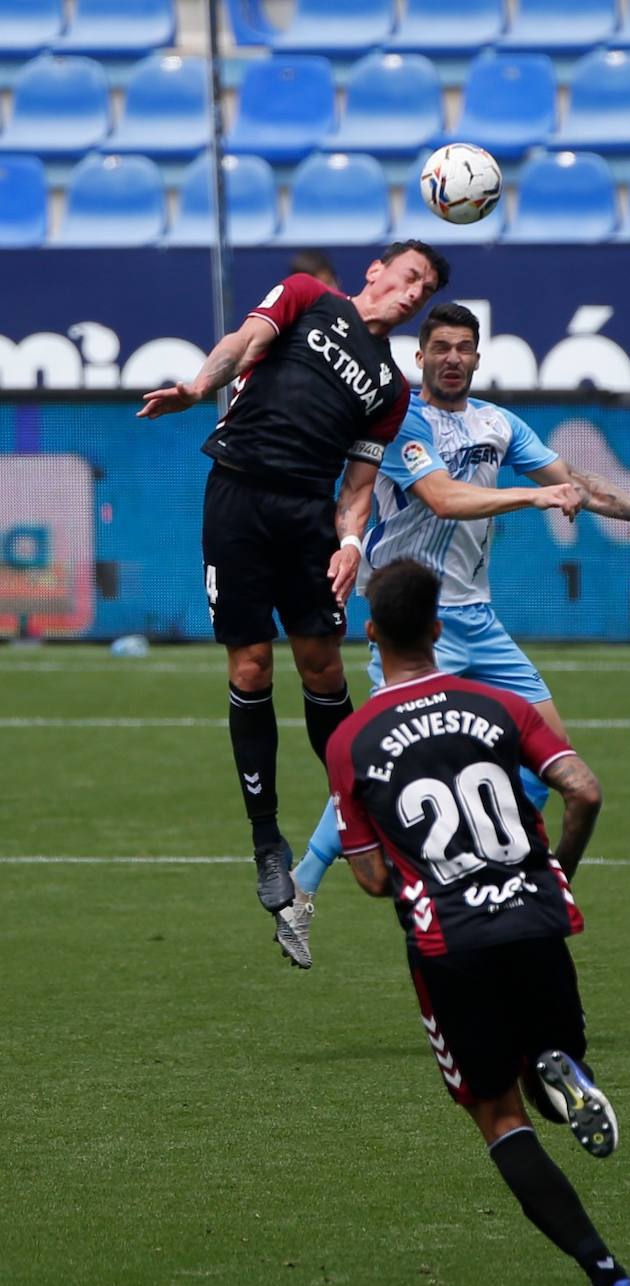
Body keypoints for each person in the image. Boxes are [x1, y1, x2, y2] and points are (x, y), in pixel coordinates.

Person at [285, 302, 630, 965]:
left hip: (477, 622)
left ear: (478, 357)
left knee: (552, 758)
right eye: (441, 347)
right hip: (412, 626)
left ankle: (521, 883)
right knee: (379, 760)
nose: (452, 357)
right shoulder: (403, 419)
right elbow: (442, 497)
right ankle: (300, 891)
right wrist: (532, 497)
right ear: (421, 357)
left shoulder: (498, 423)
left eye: (463, 347)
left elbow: (571, 481)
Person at [325, 558, 630, 1286]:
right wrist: (556, 868)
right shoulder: (498, 704)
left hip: (451, 944)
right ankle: (557, 1067)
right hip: (537, 918)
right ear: (439, 630)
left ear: (371, 632)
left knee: (498, 1115)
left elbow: (371, 880)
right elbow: (585, 789)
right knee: (543, 1066)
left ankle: (607, 1277)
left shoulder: (351, 740)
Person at [136, 241, 453, 919]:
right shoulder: (307, 298)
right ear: (376, 270)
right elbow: (241, 343)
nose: (410, 293)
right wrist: (197, 387)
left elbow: (358, 488)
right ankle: (265, 841)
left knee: (323, 670)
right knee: (250, 669)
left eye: (422, 290)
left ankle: (359, 812)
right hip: (239, 496)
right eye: (407, 276)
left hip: (307, 516)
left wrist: (347, 543)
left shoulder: (391, 391)